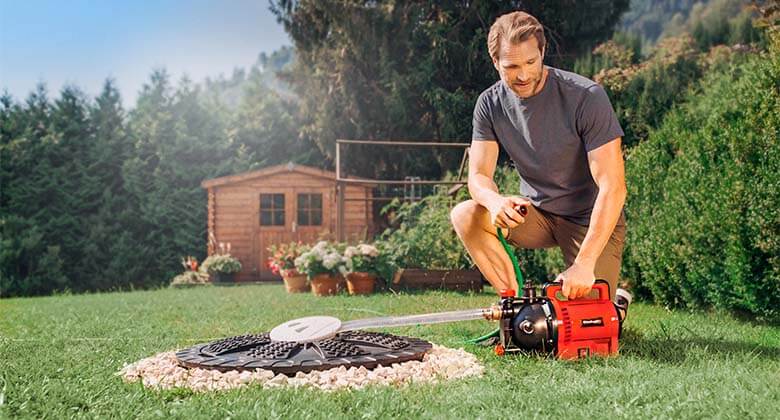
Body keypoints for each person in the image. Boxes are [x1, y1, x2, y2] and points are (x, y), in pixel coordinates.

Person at [450, 10, 630, 310]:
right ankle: (514, 306)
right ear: (495, 62)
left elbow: (614, 188)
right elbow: (478, 176)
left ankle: (615, 304)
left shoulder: (586, 97)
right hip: (536, 214)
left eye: (531, 62)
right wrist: (495, 203)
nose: (522, 75)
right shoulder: (489, 104)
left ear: (543, 52)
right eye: (511, 66)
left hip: (587, 218)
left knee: (587, 319)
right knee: (466, 214)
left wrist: (585, 264)